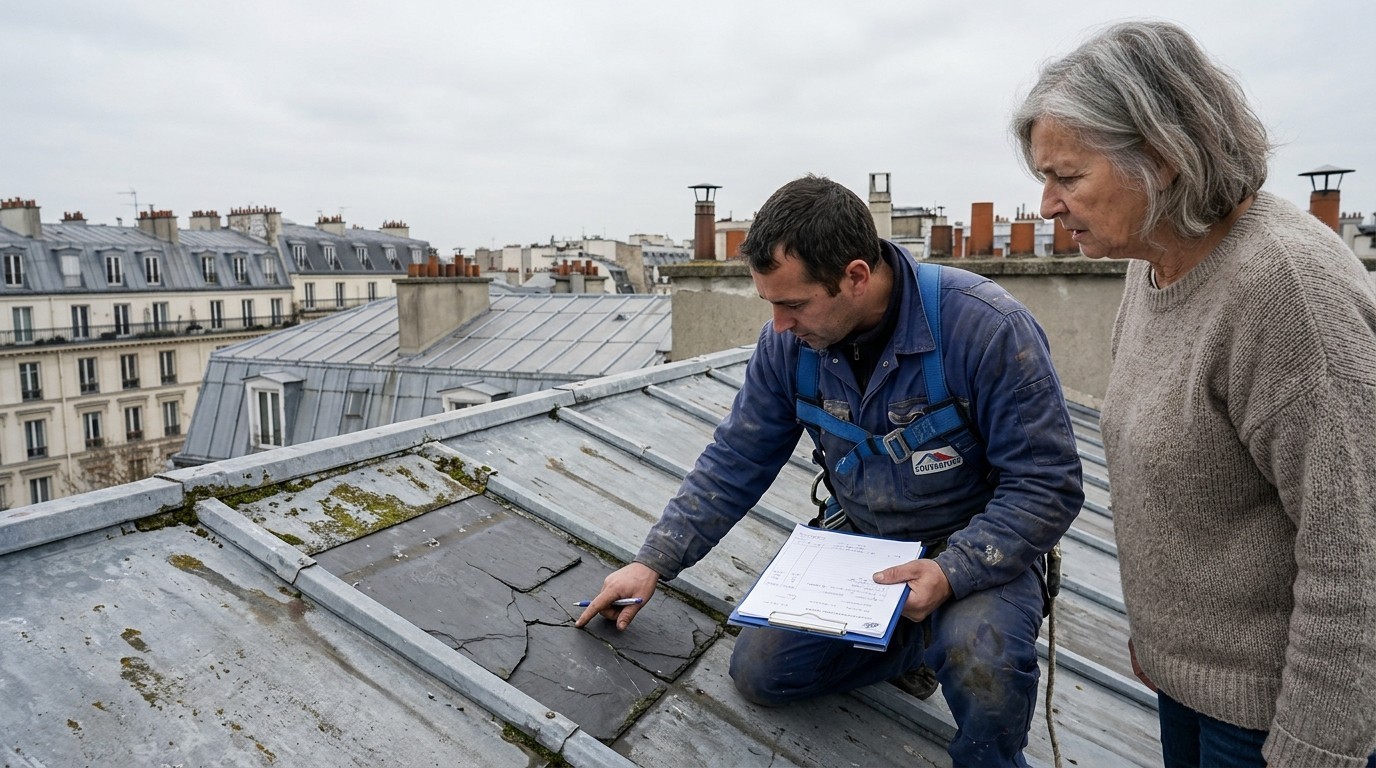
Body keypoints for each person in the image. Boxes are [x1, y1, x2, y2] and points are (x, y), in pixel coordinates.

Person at [575, 174, 1084, 767]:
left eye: (792, 304)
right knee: (761, 671)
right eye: (770, 304)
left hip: (977, 551)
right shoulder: (788, 345)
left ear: (856, 277)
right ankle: (918, 641)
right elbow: (738, 456)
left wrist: (951, 575)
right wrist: (652, 561)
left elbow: (1047, 483)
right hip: (864, 546)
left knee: (982, 660)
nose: (780, 325)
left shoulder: (986, 329)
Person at [1012, 20, 1376, 768]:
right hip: (1188, 688)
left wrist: (1313, 750)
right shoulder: (1153, 258)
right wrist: (1163, 646)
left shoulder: (1287, 292)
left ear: (1162, 158)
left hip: (1275, 720)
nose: (1047, 206)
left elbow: (1357, 553)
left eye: (1068, 177)